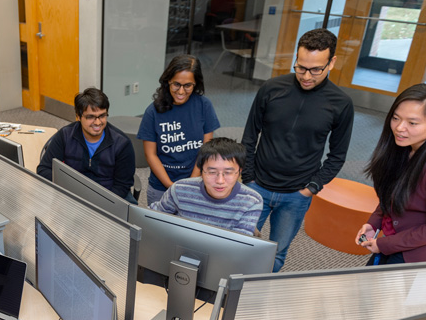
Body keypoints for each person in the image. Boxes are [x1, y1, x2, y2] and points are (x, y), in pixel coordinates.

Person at [241, 28, 354, 272]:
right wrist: (248, 178)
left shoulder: (341, 103)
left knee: (276, 255)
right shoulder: (271, 89)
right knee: (240, 247)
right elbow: (250, 136)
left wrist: (311, 188)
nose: (306, 76)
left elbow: (337, 155)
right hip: (257, 186)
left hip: (296, 194)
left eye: (316, 69)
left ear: (331, 62)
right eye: (301, 67)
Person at [356, 84, 426, 264]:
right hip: (398, 235)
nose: (399, 128)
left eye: (412, 123)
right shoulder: (405, 144)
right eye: (396, 118)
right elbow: (393, 192)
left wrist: (385, 244)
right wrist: (373, 224)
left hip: (421, 252)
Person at [137, 54, 220, 205]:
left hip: (195, 184)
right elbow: (150, 155)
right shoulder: (153, 111)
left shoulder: (204, 106)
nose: (181, 91)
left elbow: (205, 150)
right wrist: (171, 186)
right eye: (176, 84)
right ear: (168, 80)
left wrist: (189, 184)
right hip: (161, 187)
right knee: (157, 228)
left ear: (196, 84)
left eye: (187, 85)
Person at [37, 87, 136, 200]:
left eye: (102, 116)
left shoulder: (122, 143)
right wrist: (70, 189)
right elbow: (43, 169)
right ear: (78, 116)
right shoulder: (65, 135)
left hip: (108, 199)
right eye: (91, 117)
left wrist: (101, 203)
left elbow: (122, 186)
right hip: (72, 195)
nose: (98, 122)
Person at [150, 137, 262, 236]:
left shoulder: (251, 201)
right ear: (201, 170)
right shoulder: (179, 189)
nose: (220, 181)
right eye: (212, 172)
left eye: (228, 172)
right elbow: (154, 217)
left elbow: (239, 247)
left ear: (239, 171)